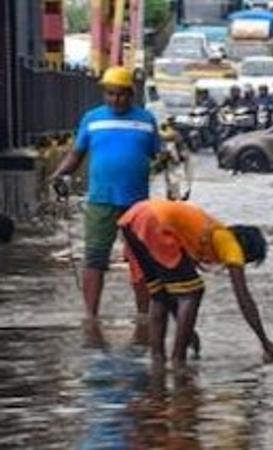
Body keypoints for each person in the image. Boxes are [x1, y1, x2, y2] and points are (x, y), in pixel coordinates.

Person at [50, 66, 160, 319]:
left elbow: (158, 156)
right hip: (101, 200)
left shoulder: (146, 120)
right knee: (95, 259)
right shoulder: (92, 119)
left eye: (121, 94)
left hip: (137, 204)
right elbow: (76, 155)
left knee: (140, 261)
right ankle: (91, 316)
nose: (115, 99)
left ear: (130, 94)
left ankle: (144, 317)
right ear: (105, 94)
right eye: (111, 94)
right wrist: (59, 175)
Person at [118, 198, 273, 365]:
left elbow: (172, 294)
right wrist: (264, 341)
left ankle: (157, 358)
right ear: (246, 252)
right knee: (193, 292)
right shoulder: (231, 245)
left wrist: (188, 332)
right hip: (155, 220)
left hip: (133, 217)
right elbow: (243, 298)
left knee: (160, 294)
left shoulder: (200, 235)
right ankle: (178, 359)